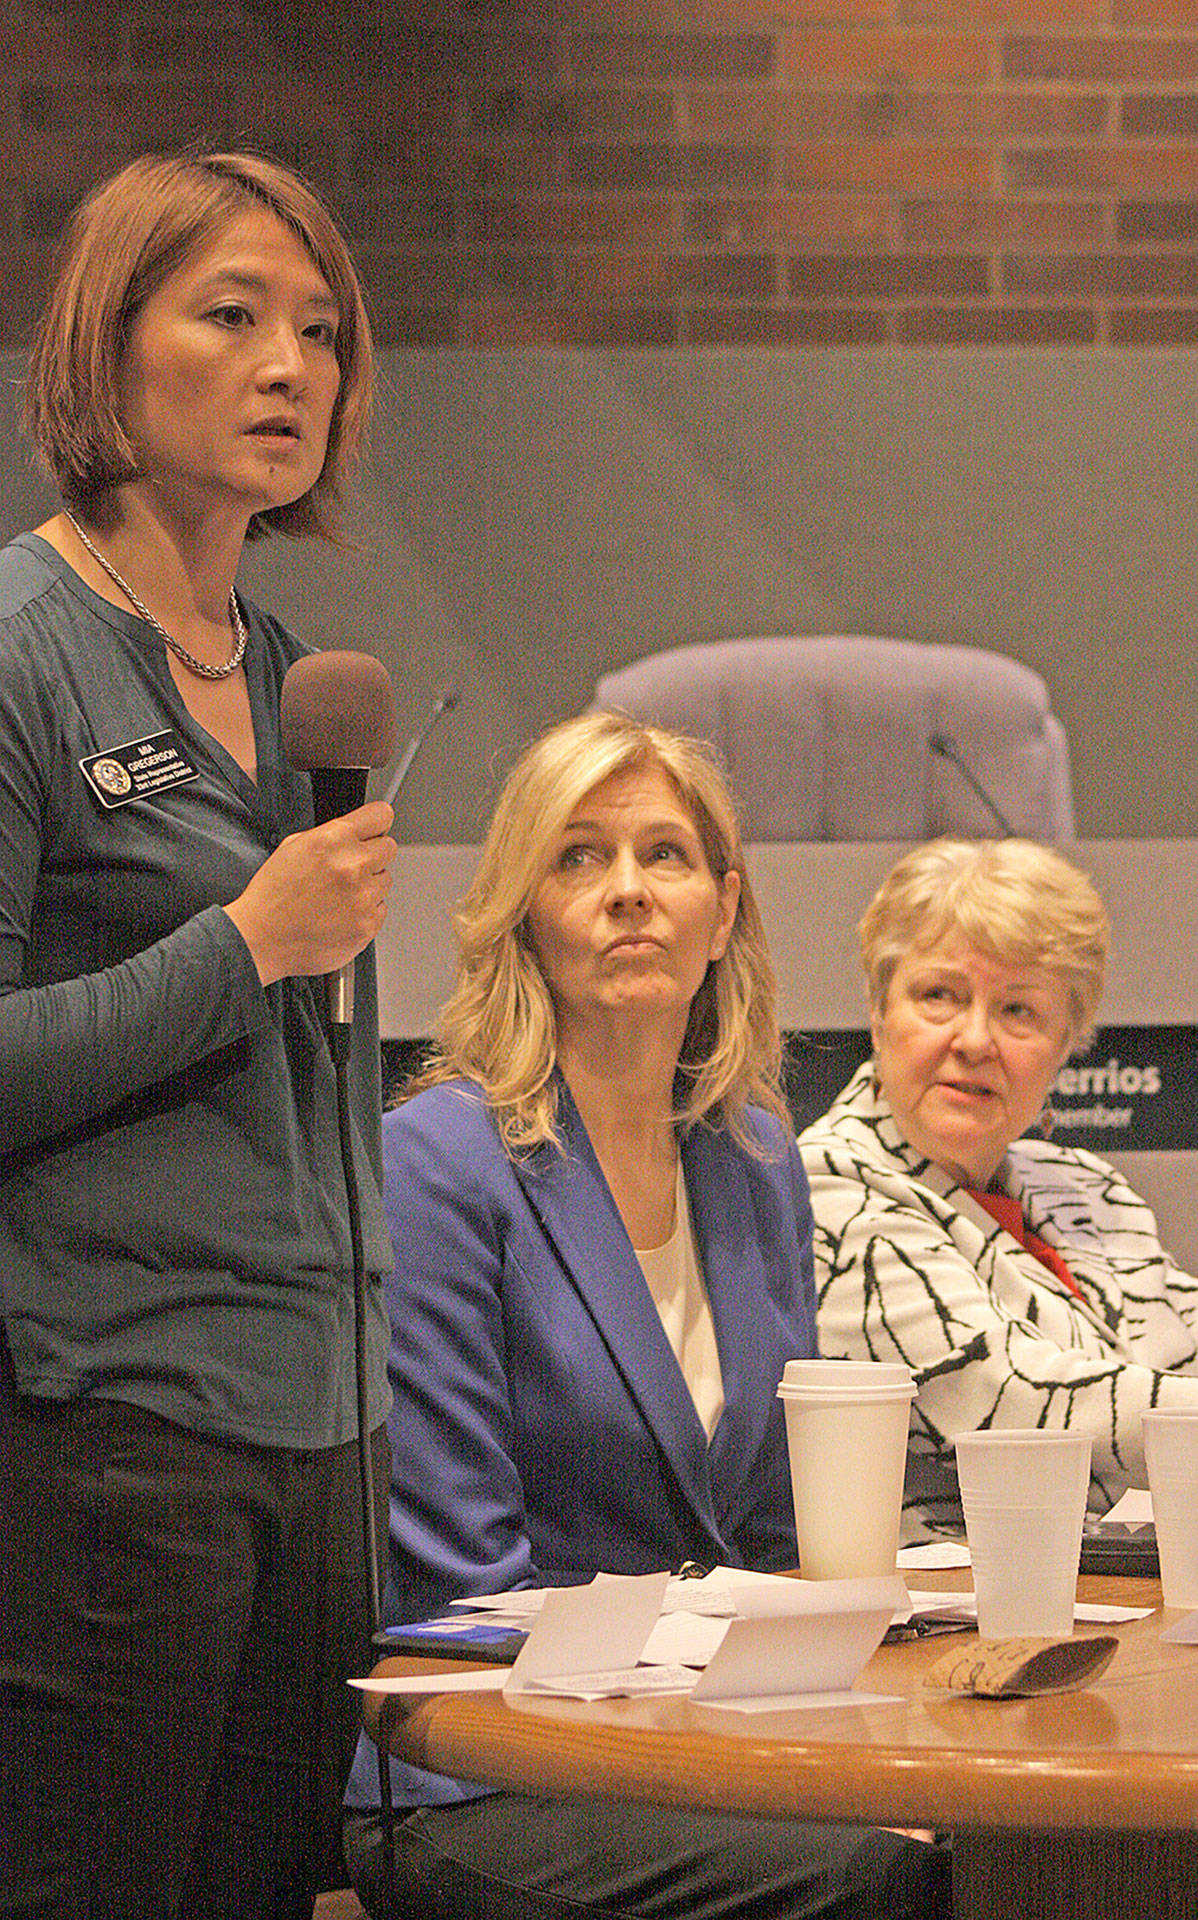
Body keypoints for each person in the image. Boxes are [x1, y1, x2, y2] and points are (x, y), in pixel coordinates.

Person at [344, 711, 951, 1920]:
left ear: (722, 912)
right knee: (878, 1878)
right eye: (578, 857)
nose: (627, 891)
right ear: (522, 913)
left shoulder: (754, 1157)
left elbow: (779, 1536)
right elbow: (462, 1592)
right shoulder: (440, 1162)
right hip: (489, 1773)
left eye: (663, 856)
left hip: (708, 1737)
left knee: (995, 1848)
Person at [0, 152, 398, 1918]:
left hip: (324, 1435)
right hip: (113, 1428)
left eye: (318, 330)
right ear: (108, 345)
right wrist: (239, 949)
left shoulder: (300, 674)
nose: (289, 366)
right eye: (231, 315)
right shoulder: (23, 650)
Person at [799, 836, 1198, 1542]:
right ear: (879, 1013)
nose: (974, 1039)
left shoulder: (1087, 1189)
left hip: (1129, 1597)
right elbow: (1011, 1398)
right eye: (939, 996)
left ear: (1065, 1044)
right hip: (946, 1618)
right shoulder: (824, 1189)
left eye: (1018, 1011)